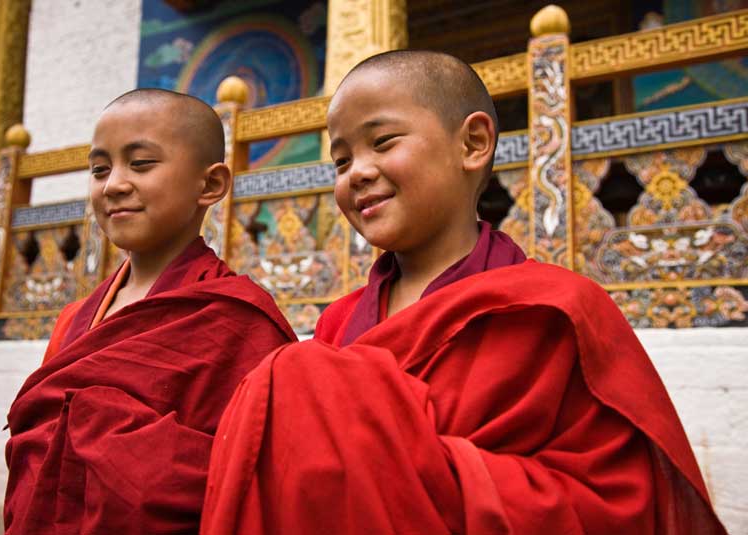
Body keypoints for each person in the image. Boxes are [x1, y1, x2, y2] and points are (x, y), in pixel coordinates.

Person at [200, 51, 726, 534]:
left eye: (382, 143)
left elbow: (617, 504)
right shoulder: (339, 324)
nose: (357, 172)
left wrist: (423, 472)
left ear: (473, 143)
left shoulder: (556, 309)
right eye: (340, 161)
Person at [4, 89, 296, 535]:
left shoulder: (237, 319)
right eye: (100, 169)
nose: (114, 184)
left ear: (211, 184)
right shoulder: (76, 318)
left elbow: (255, 473)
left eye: (140, 164)